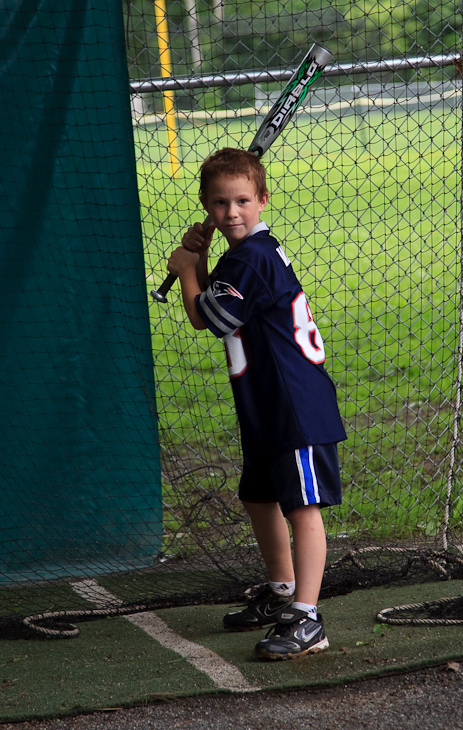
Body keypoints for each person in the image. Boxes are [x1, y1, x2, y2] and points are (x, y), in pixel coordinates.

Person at [167, 147, 346, 661]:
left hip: (295, 406)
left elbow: (209, 319)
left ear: (263, 200)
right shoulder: (238, 257)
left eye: (243, 200)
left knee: (302, 508)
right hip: (266, 405)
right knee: (259, 497)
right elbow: (215, 298)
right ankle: (283, 592)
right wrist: (199, 261)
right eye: (220, 203)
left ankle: (308, 618)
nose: (231, 212)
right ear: (206, 204)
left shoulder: (254, 258)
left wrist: (184, 270)